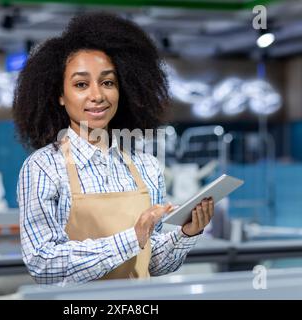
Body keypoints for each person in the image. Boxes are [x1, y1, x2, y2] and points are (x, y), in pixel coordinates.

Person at [13, 12, 214, 286]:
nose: (97, 95)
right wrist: (132, 238)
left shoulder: (147, 167)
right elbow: (43, 263)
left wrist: (186, 234)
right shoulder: (44, 167)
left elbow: (152, 262)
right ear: (59, 95)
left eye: (108, 82)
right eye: (81, 84)